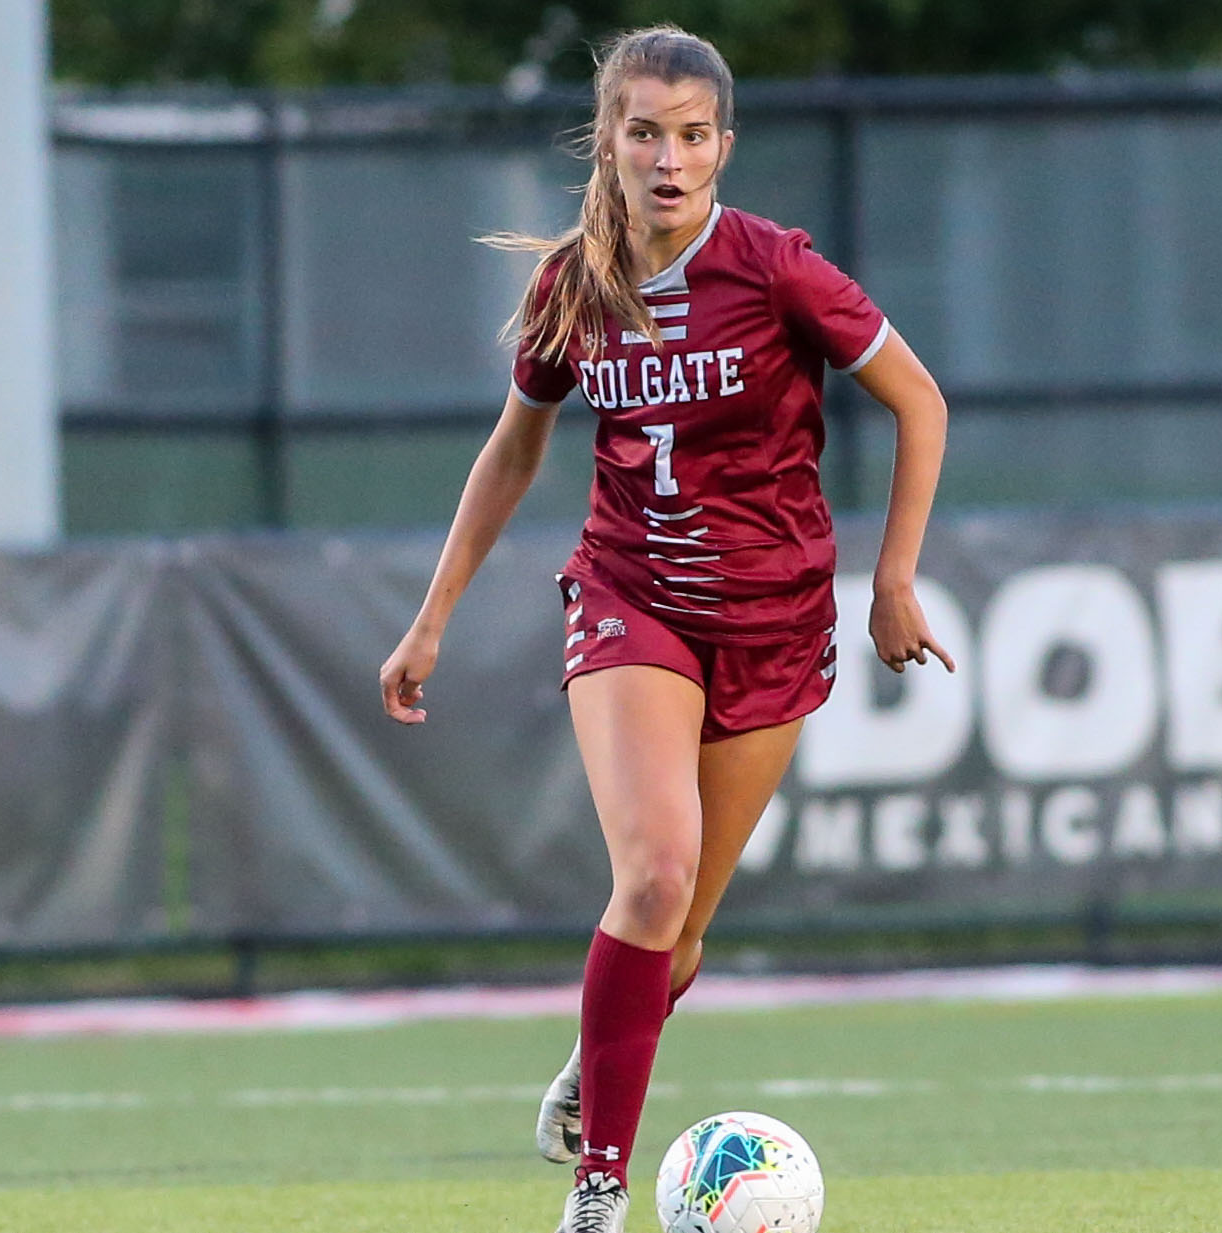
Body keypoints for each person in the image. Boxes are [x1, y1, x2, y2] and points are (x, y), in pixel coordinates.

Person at [377, 25, 954, 1233]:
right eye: (645, 132)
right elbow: (514, 448)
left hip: (777, 619)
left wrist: (894, 579)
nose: (670, 158)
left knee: (681, 931)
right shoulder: (571, 285)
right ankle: (598, 1197)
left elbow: (919, 401)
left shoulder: (780, 271)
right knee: (651, 873)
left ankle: (602, 1060)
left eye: (693, 135)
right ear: (611, 142)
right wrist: (431, 617)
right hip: (631, 596)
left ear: (723, 146)